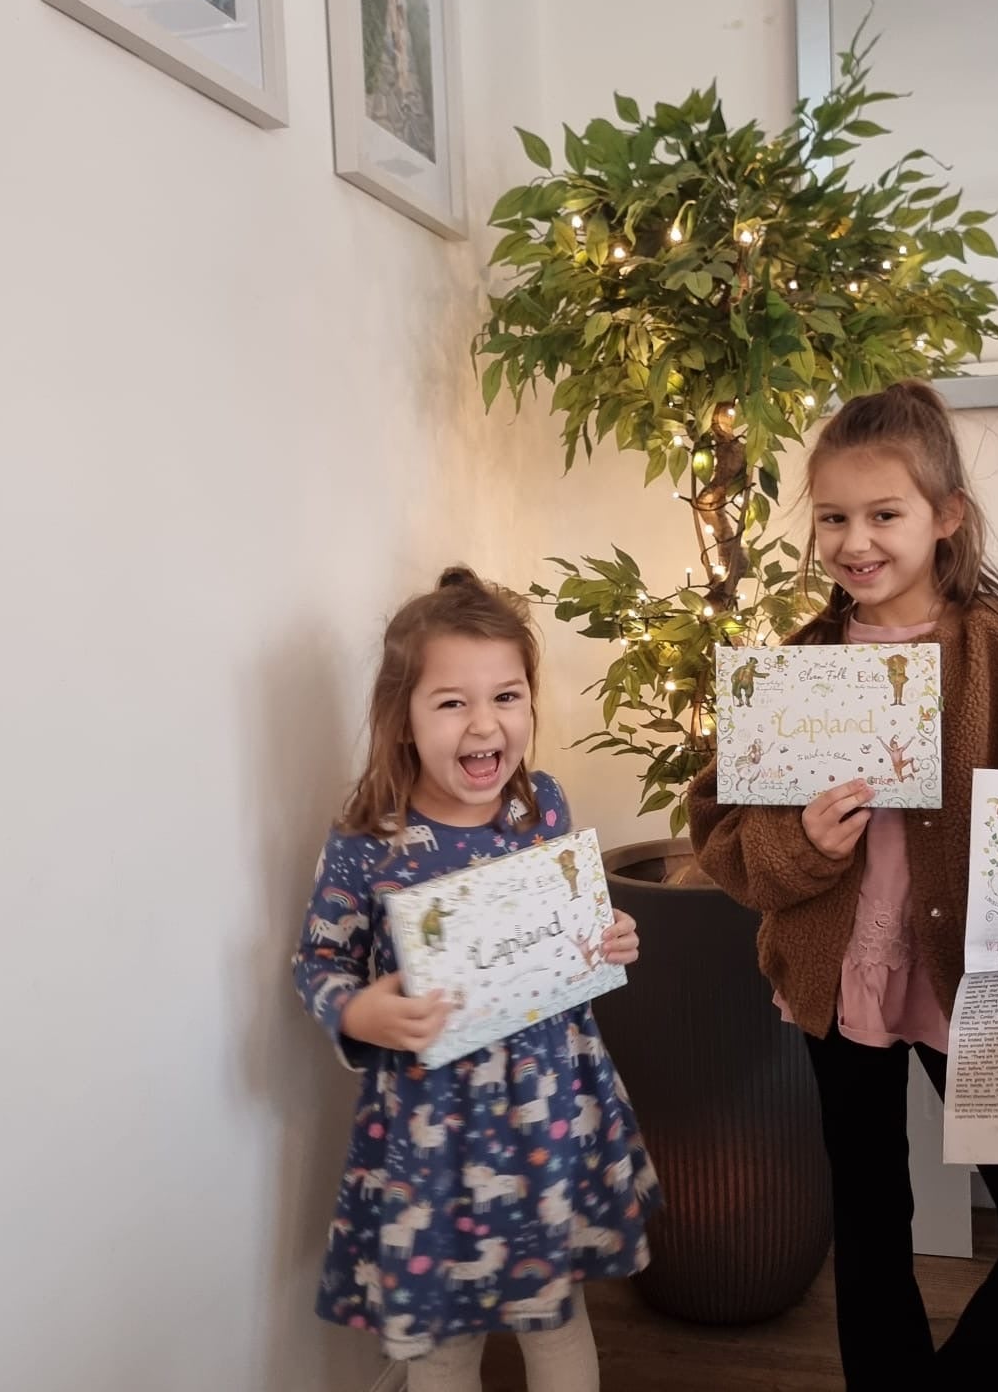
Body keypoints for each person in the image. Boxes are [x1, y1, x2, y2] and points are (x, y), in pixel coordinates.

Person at [687, 381, 998, 1390]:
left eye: (882, 514)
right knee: (869, 1229)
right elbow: (724, 833)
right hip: (840, 984)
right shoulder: (800, 664)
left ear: (944, 516)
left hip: (988, 983)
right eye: (831, 516)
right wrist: (803, 844)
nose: (853, 541)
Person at [293, 567, 657, 1391]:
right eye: (452, 702)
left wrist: (610, 939)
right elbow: (317, 965)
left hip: (548, 1117)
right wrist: (358, 1015)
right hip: (431, 1136)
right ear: (403, 720)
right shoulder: (367, 843)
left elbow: (568, 941)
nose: (484, 723)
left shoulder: (547, 808)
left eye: (508, 696)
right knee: (442, 1342)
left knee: (557, 1319)